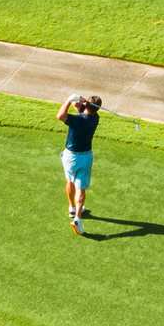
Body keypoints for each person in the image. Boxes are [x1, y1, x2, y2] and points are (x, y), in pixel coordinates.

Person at [56, 93, 104, 233]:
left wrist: (69, 100)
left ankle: (71, 207)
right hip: (85, 157)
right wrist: (81, 102)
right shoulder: (95, 118)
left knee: (70, 181)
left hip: (70, 156)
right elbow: (82, 109)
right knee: (81, 188)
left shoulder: (76, 120)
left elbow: (60, 116)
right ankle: (77, 217)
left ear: (87, 105)